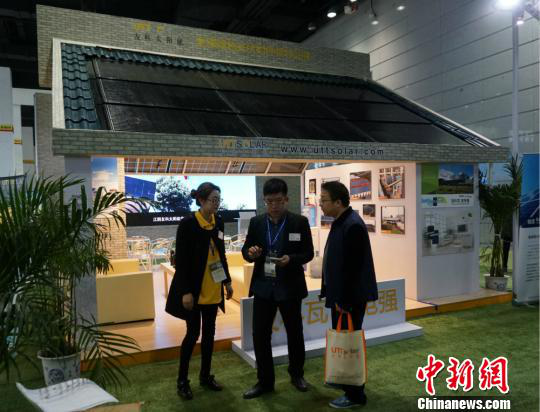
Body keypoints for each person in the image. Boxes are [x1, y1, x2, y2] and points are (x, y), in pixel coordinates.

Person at [242, 178, 314, 399]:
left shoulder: (299, 222)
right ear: (264, 200)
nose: (274, 205)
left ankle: (297, 375)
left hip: (289, 287)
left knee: (295, 333)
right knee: (260, 335)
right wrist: (251, 253)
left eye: (278, 201)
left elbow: (308, 253)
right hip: (264, 287)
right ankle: (265, 381)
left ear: (286, 199)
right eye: (269, 201)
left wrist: (291, 259)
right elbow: (246, 250)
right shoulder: (256, 223)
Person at [165, 182, 234, 400]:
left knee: (209, 334)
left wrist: (227, 282)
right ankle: (182, 381)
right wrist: (185, 291)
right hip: (194, 291)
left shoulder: (218, 222)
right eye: (213, 200)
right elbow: (181, 261)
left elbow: (221, 255)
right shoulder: (188, 224)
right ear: (201, 200)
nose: (217, 203)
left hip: (213, 288)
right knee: (192, 334)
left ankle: (205, 376)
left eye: (218, 200)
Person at [319, 181, 378, 409]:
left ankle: (355, 395)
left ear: (338, 202)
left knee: (350, 344)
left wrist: (344, 300)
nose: (320, 204)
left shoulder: (352, 225)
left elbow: (353, 269)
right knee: (343, 341)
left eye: (324, 200)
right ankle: (345, 382)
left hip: (349, 299)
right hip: (342, 296)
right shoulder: (342, 221)